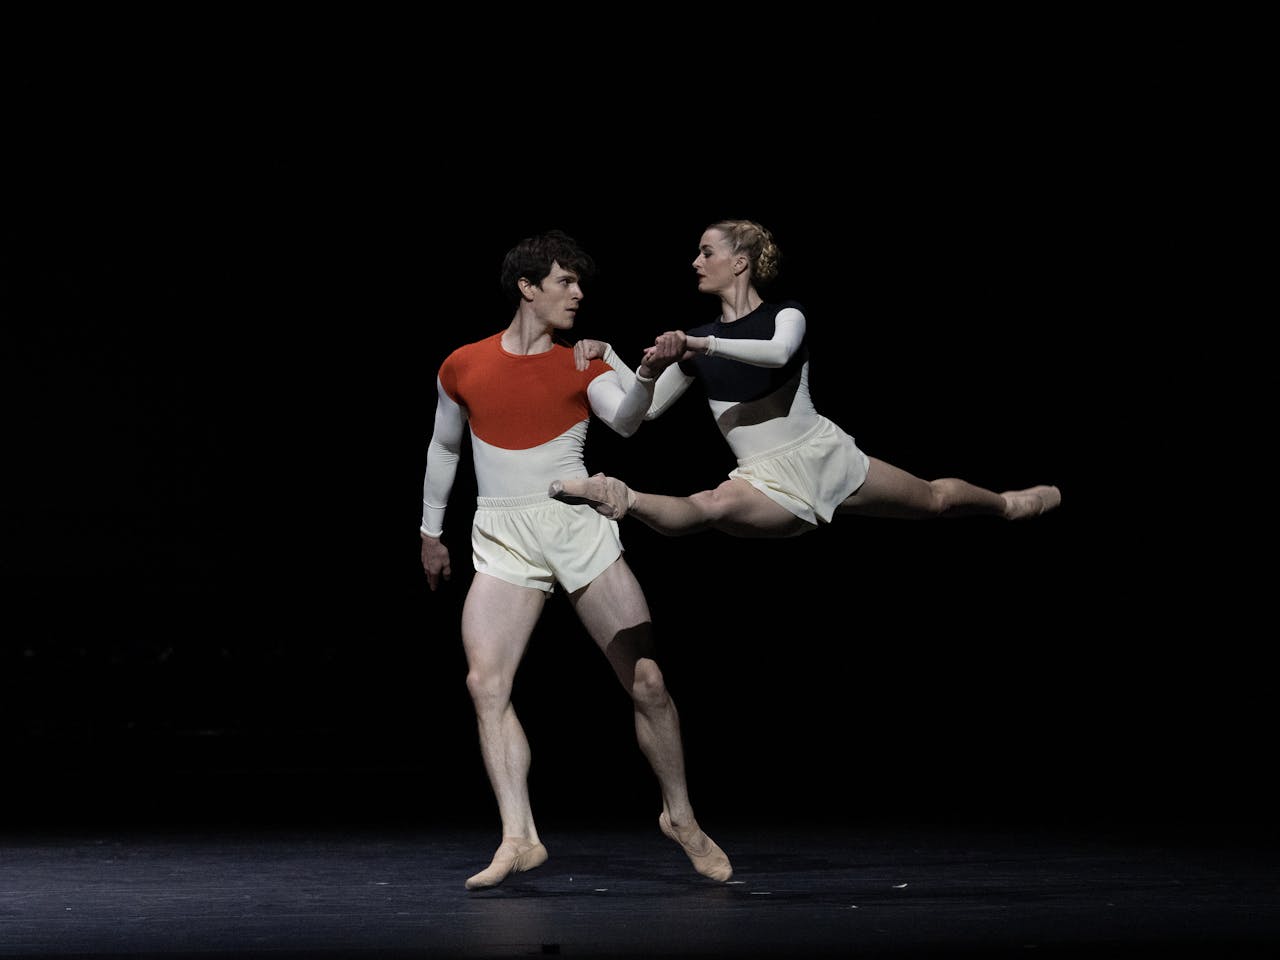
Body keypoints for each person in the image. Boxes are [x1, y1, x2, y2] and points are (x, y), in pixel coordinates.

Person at [419, 229, 732, 890]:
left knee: (646, 679)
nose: (579, 294)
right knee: (486, 683)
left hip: (573, 525)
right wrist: (430, 530)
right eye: (566, 281)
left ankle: (679, 815)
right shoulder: (461, 364)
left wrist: (640, 369)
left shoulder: (583, 360)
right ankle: (519, 835)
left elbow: (624, 423)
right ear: (528, 287)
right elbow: (444, 449)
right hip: (501, 533)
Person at [551, 218, 1061, 536]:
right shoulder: (695, 341)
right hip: (766, 478)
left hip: (825, 454)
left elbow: (777, 355)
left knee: (935, 500)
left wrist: (697, 343)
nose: (695, 261)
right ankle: (623, 496)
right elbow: (650, 408)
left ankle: (1008, 504)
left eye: (707, 251)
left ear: (740, 261)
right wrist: (615, 358)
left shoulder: (784, 315)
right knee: (707, 507)